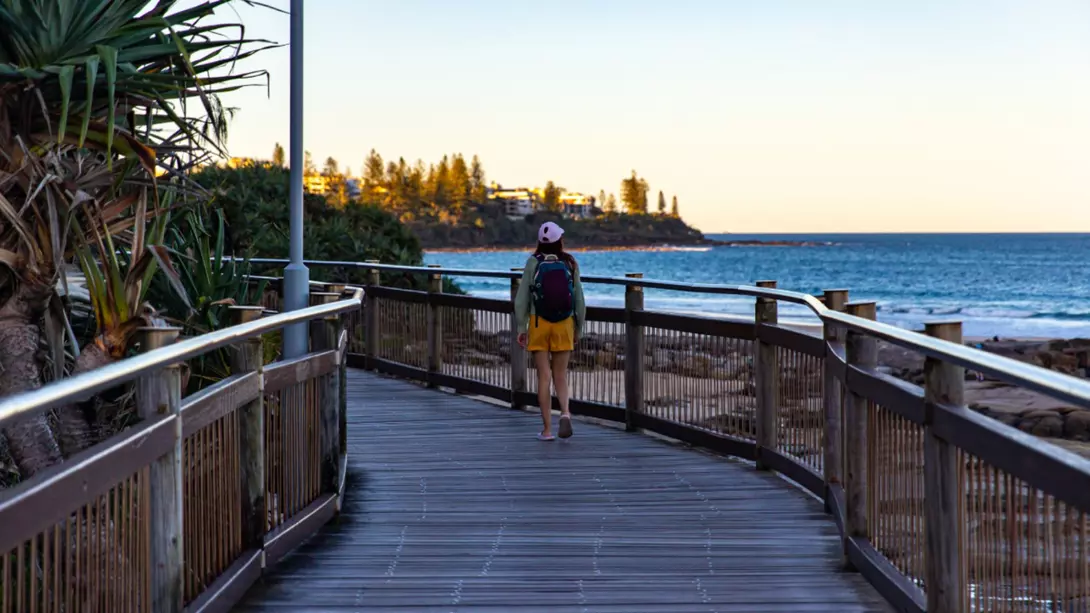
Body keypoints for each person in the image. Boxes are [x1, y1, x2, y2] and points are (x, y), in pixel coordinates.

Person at [514, 221, 586, 440]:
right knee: (560, 375)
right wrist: (578, 327)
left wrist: (521, 326)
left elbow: (521, 300)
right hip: (564, 323)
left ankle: (546, 430)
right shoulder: (570, 262)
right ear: (560, 240)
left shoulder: (532, 263)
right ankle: (565, 413)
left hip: (538, 323)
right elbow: (580, 300)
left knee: (544, 376)